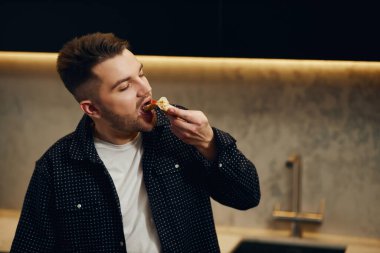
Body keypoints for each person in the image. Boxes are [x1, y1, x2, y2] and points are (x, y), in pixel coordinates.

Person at [11, 32, 260, 253]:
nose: (145, 89)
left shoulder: (180, 134)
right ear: (92, 108)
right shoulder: (55, 168)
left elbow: (247, 195)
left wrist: (208, 142)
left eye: (141, 73)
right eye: (125, 86)